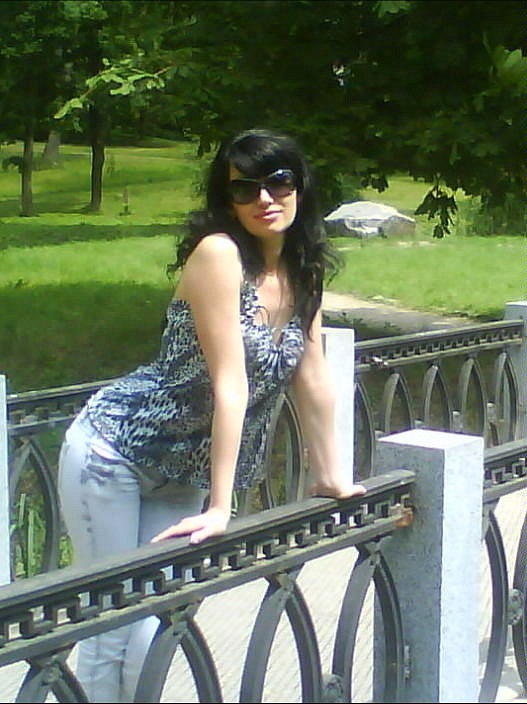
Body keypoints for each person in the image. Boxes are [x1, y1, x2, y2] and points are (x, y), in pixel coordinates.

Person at [57, 127, 366, 702]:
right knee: (111, 624)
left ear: (301, 187)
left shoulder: (303, 271)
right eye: (245, 189)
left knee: (156, 623)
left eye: (278, 182)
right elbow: (231, 381)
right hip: (114, 451)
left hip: (182, 473)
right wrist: (221, 506)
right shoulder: (220, 255)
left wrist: (330, 475)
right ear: (228, 200)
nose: (264, 199)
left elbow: (312, 376)